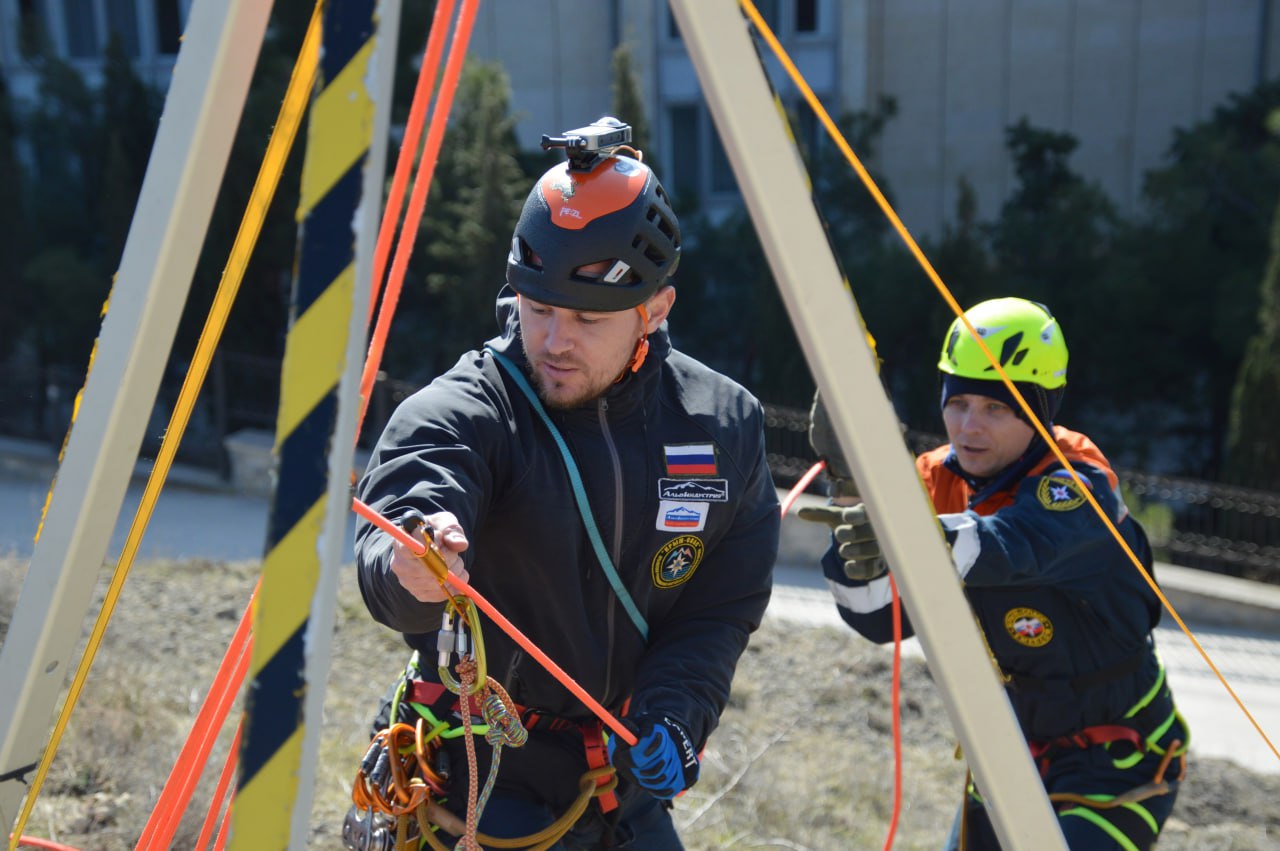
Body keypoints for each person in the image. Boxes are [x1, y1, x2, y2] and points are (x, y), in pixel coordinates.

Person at [349, 117, 780, 850]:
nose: (553, 340)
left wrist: (676, 714)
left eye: (586, 317)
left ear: (654, 309)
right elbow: (415, 498)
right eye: (538, 308)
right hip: (479, 779)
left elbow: (718, 609)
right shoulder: (472, 407)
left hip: (623, 787)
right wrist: (410, 560)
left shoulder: (721, 424)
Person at [800, 297, 1188, 850]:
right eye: (957, 402)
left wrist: (907, 527)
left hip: (1115, 763)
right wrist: (856, 515)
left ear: (1037, 412)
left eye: (996, 408)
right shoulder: (934, 479)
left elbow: (1014, 544)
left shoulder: (1077, 481)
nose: (969, 425)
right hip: (1005, 758)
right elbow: (880, 620)